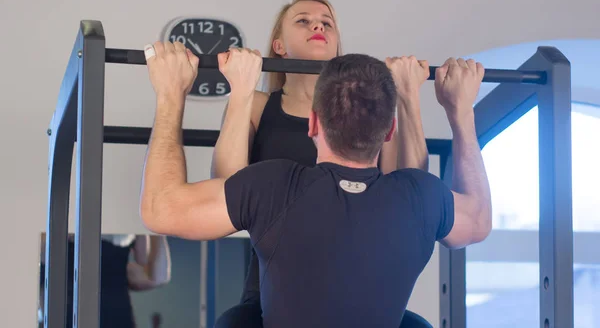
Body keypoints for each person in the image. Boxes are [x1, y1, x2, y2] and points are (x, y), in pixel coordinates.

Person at [138, 43, 492, 327]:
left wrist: (171, 94)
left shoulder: (274, 187)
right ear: (389, 132)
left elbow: (160, 209)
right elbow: (477, 221)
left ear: (313, 123)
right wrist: (461, 112)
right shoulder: (421, 195)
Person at [210, 0, 432, 327]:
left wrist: (406, 96)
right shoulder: (255, 104)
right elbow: (224, 187)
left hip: (363, 289)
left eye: (327, 22)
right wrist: (240, 91)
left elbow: (412, 190)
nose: (318, 25)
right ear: (280, 46)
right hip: (274, 292)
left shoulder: (367, 110)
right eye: (303, 20)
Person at [38, 234, 172, 328]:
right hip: (73, 314)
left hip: (115, 317)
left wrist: (156, 224)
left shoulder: (119, 268)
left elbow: (156, 275)